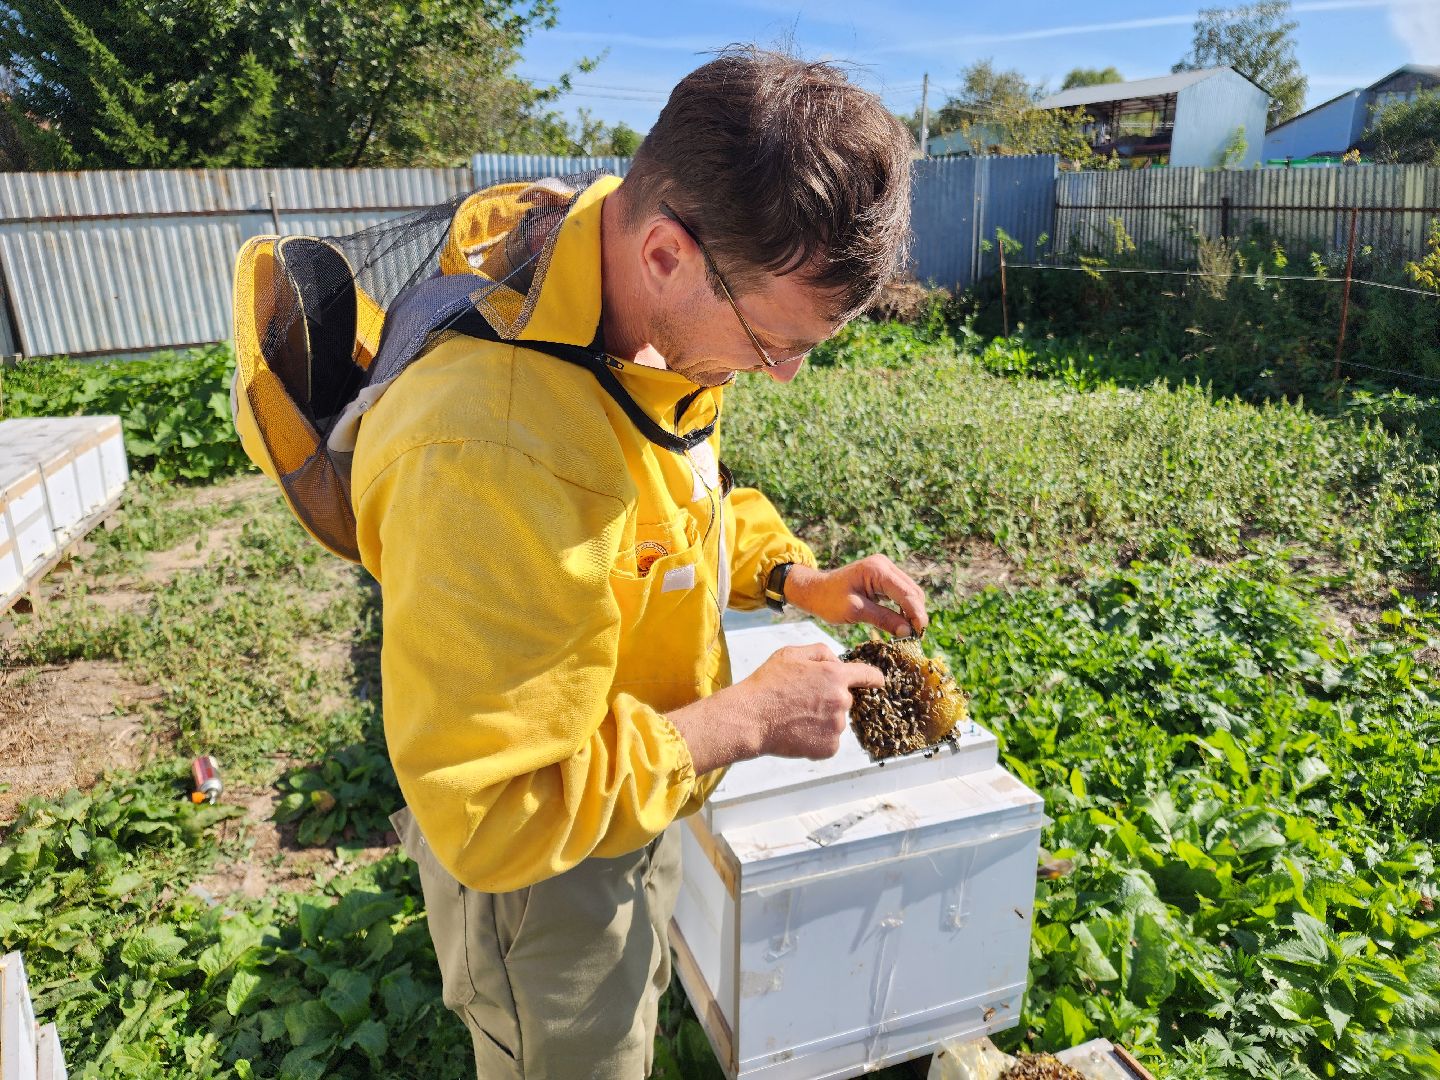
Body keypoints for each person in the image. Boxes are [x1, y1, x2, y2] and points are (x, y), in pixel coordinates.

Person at [355, 47, 925, 1079]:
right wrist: (742, 720)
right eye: (773, 340)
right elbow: (494, 813)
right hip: (543, 883)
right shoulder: (490, 454)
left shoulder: (629, 297)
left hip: (637, 793)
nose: (784, 374)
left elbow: (671, 490)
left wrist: (794, 578)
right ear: (667, 253)